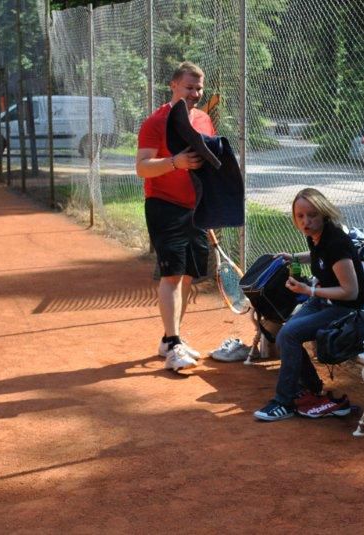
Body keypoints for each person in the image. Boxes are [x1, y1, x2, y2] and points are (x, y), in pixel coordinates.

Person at [253, 188, 364, 421]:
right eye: (300, 216)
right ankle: (310, 390)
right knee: (287, 333)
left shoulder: (336, 242)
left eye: (312, 215)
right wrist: (294, 257)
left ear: (323, 213)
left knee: (289, 333)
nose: (306, 221)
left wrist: (310, 290)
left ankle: (284, 402)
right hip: (325, 301)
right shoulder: (318, 236)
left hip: (347, 311)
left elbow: (351, 291)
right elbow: (318, 255)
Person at [135, 61, 216, 371]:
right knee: (171, 274)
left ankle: (172, 339)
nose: (195, 93)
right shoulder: (156, 121)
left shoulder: (204, 120)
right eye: (189, 87)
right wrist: (175, 162)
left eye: (199, 88)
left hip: (194, 207)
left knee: (187, 275)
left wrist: (210, 208)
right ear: (173, 85)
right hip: (163, 204)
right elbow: (142, 166)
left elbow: (208, 165)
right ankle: (173, 344)